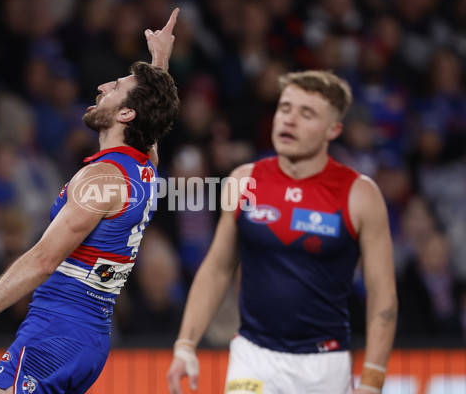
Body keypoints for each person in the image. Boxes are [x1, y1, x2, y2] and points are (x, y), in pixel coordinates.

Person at [0, 9, 180, 394]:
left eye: (115, 87)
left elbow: (43, 260)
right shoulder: (145, 170)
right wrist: (159, 62)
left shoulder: (103, 179)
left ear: (127, 113)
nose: (102, 87)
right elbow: (151, 125)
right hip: (88, 336)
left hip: (56, 330)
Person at [167, 71, 398, 394]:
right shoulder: (243, 180)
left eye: (307, 114)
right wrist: (185, 345)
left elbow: (382, 294)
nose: (290, 120)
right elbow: (217, 269)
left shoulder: (359, 195)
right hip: (253, 357)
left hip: (325, 365)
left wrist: (372, 381)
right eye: (285, 108)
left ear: (334, 129)